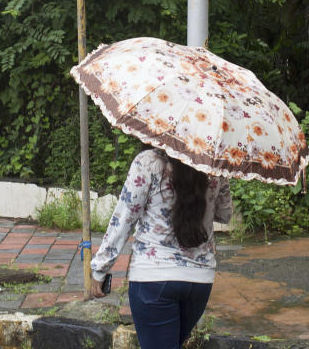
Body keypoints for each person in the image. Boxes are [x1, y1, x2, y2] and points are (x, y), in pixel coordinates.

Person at [90, 146, 232, 349]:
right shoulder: (213, 165)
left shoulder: (148, 162)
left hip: (153, 279)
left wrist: (100, 268)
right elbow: (225, 215)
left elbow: (124, 219)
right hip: (199, 281)